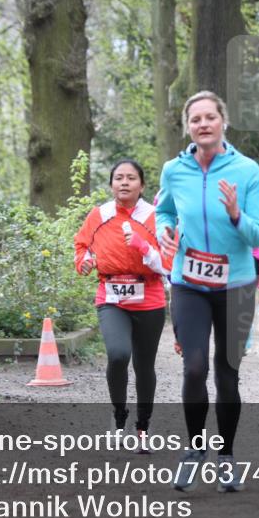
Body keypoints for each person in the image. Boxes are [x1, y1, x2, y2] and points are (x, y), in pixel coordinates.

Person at [156, 90, 259, 493]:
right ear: (188, 126)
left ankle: (226, 456)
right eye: (195, 119)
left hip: (235, 284)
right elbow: (164, 211)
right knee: (194, 367)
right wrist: (164, 232)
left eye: (210, 117)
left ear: (223, 121)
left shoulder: (247, 170)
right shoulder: (174, 170)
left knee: (227, 375)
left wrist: (236, 214)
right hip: (189, 283)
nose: (203, 124)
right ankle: (194, 450)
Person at [74, 160, 166, 452]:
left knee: (143, 365)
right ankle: (119, 415)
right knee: (117, 355)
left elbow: (168, 262)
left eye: (131, 178)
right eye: (118, 178)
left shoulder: (155, 216)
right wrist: (84, 262)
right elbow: (82, 246)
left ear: (141, 184)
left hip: (149, 296)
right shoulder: (99, 214)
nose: (124, 183)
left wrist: (142, 245)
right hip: (111, 296)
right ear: (111, 184)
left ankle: (143, 426)